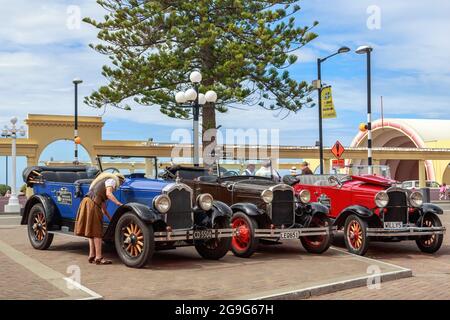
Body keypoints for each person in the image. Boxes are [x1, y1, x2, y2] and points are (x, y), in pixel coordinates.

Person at [75, 172, 125, 265]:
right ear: (120, 180)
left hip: (86, 202)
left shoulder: (100, 183)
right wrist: (119, 204)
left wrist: (111, 219)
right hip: (93, 204)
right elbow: (109, 194)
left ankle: (92, 255)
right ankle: (99, 257)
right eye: (121, 183)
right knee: (97, 232)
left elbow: (104, 209)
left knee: (91, 231)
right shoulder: (112, 180)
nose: (119, 186)